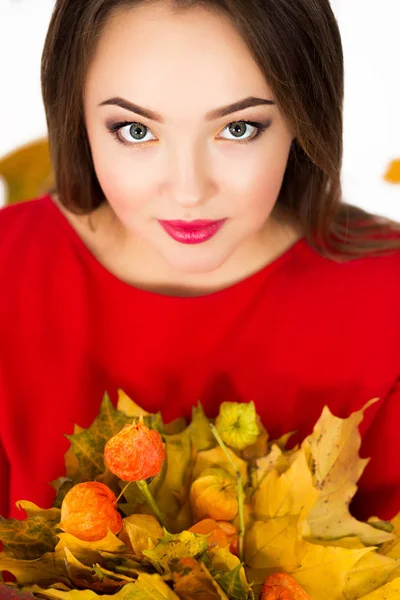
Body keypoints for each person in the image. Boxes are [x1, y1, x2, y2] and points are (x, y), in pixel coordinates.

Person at [0, 0, 399, 526]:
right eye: (136, 131)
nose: (188, 191)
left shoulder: (387, 297)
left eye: (238, 129)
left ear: (303, 116)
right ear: (75, 116)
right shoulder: (11, 268)